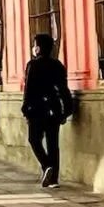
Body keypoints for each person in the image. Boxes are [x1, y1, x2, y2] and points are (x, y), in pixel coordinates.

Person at [21, 31, 74, 188]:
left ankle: (46, 166)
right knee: (53, 143)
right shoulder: (57, 65)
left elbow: (29, 88)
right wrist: (67, 110)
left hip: (37, 108)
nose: (33, 48)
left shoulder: (33, 65)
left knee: (34, 139)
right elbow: (64, 89)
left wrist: (25, 108)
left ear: (38, 48)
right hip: (54, 108)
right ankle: (53, 180)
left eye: (35, 45)